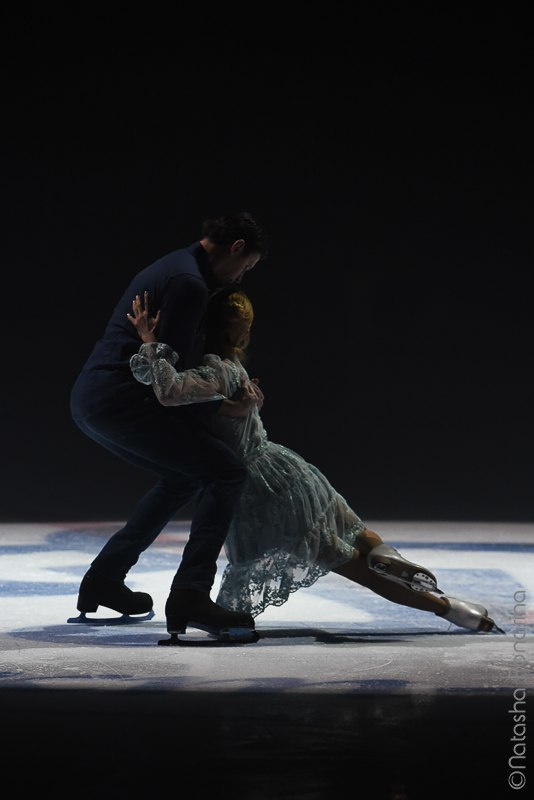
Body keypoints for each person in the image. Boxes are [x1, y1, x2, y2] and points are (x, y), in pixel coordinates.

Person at [127, 288, 505, 635]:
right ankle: (393, 560)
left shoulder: (216, 372)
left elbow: (169, 390)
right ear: (239, 333)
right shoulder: (235, 371)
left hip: (262, 489)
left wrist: (149, 340)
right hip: (287, 469)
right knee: (361, 537)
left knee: (354, 567)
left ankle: (449, 609)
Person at [69, 211, 268, 641]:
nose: (241, 277)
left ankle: (105, 578)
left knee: (183, 478)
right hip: (121, 401)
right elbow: (169, 387)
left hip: (94, 399)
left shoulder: (178, 265)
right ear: (235, 248)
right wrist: (224, 411)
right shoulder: (189, 283)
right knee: (226, 471)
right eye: (246, 266)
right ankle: (191, 595)